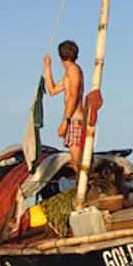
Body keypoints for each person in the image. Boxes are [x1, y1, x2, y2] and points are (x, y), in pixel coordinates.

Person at [43, 40, 85, 172]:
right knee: (75, 162)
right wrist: (47, 67)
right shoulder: (69, 73)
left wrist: (65, 120)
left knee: (78, 163)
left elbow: (74, 95)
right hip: (72, 119)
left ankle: (85, 183)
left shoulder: (73, 70)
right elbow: (52, 90)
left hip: (75, 119)